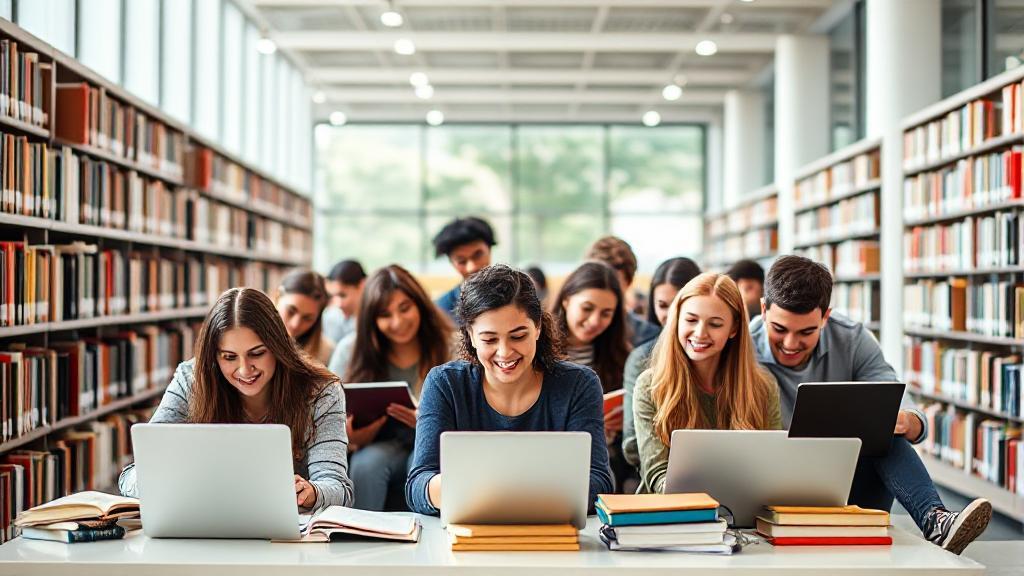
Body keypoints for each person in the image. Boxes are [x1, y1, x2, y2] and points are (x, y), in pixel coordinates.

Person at [751, 255, 991, 555]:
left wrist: (904, 420)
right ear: (763, 309)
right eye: (779, 329)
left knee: (883, 428)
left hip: (847, 482)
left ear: (826, 316)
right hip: (771, 486)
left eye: (806, 332)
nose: (789, 343)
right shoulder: (741, 348)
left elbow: (896, 397)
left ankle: (936, 521)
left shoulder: (852, 338)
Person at [118, 287, 353, 510]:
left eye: (257, 353)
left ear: (278, 347)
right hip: (202, 526)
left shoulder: (321, 391)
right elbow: (131, 475)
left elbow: (338, 489)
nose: (244, 370)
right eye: (229, 357)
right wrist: (160, 484)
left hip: (287, 537)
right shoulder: (191, 380)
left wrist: (311, 492)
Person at [406, 264, 612, 515]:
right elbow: (417, 486)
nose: (504, 352)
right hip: (467, 533)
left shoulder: (579, 384)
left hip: (552, 533)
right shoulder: (445, 384)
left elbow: (600, 481)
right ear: (470, 335)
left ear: (537, 327)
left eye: (517, 336)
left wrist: (506, 491)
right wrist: (459, 488)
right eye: (489, 339)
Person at [634, 272, 780, 494]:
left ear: (733, 329)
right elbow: (657, 474)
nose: (700, 333)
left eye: (715, 324)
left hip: (743, 515)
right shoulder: (650, 385)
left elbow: (772, 465)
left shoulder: (763, 386)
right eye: (691, 320)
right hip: (669, 513)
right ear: (677, 321)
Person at [329, 264, 453, 511]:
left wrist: (430, 423)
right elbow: (328, 416)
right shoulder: (350, 350)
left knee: (422, 470)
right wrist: (350, 438)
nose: (397, 322)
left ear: (420, 304)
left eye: (405, 308)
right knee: (366, 464)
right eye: (385, 315)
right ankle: (361, 539)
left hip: (436, 446)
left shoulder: (452, 345)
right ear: (371, 319)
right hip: (379, 445)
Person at [552, 260, 632, 491]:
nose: (595, 321)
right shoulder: (535, 350)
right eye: (587, 308)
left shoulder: (620, 356)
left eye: (606, 313)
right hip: (552, 461)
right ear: (566, 300)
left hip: (600, 465)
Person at [622, 257, 702, 469]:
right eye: (662, 305)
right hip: (658, 472)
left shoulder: (720, 356)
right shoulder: (642, 359)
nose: (671, 315)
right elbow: (631, 444)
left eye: (680, 304)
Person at [585, 236, 660, 347]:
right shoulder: (568, 331)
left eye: (613, 285)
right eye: (596, 283)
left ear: (628, 283)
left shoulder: (648, 337)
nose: (604, 292)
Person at [431, 217, 496, 319]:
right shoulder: (441, 310)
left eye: (478, 255)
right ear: (451, 262)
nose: (472, 267)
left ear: (489, 249)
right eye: (461, 261)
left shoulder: (518, 296)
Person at [274, 268, 335, 366]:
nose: (295, 324)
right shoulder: (251, 334)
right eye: (290, 311)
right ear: (278, 297)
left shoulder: (327, 352)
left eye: (307, 318)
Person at [322, 259, 367, 344]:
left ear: (362, 285)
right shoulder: (329, 318)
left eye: (342, 295)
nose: (338, 304)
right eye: (331, 296)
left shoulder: (378, 319)